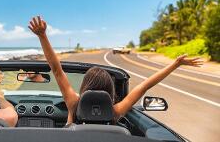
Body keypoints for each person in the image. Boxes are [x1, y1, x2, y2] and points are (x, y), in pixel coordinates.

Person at [28, 16, 202, 124]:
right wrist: (175, 64)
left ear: (85, 86)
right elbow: (145, 86)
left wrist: (42, 36)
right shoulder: (115, 112)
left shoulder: (74, 104)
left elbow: (57, 70)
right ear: (110, 91)